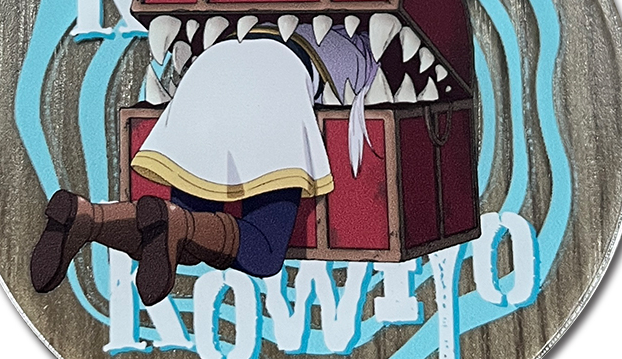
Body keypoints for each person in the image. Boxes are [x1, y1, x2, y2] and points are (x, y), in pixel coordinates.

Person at [31, 21, 379, 306]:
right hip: (273, 86)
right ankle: (175, 222)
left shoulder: (254, 22)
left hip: (205, 74)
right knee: (263, 251)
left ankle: (87, 217)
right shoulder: (361, 46)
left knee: (179, 241)